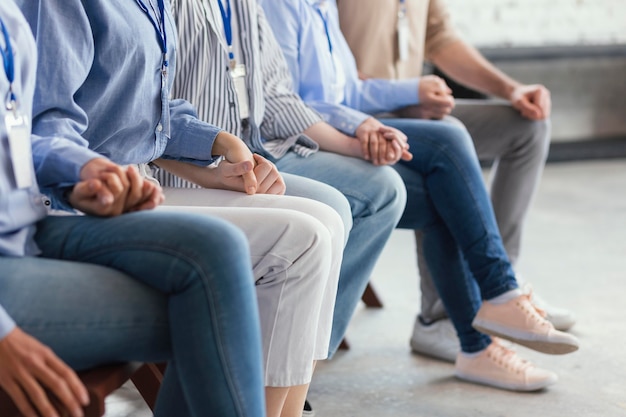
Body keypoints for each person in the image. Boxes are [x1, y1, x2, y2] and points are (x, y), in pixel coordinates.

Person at [15, 0, 346, 415]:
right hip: (84, 198)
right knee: (300, 241)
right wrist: (88, 174)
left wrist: (220, 144)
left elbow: (145, 109)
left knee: (325, 220)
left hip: (136, 182)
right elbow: (46, 121)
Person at [259, 0, 580, 396]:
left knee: (452, 153)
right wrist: (362, 128)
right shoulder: (279, 7)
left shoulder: (319, 6)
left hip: (358, 121)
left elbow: (351, 88)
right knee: (447, 158)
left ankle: (494, 306)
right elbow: (288, 104)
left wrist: (408, 92)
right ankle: (490, 312)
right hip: (307, 142)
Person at [156, 0, 409, 366]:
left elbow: (276, 97)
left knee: (383, 188)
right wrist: (215, 159)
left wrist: (355, 144)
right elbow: (152, 110)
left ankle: (299, 359)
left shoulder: (247, 5)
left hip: (255, 149)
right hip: (191, 165)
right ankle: (261, 363)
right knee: (329, 212)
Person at [335, 0, 576, 361]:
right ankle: (439, 316)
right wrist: (402, 95)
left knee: (529, 127)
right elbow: (317, 74)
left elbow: (439, 37)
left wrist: (509, 88)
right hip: (354, 120)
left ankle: (500, 289)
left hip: (414, 109)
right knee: (444, 161)